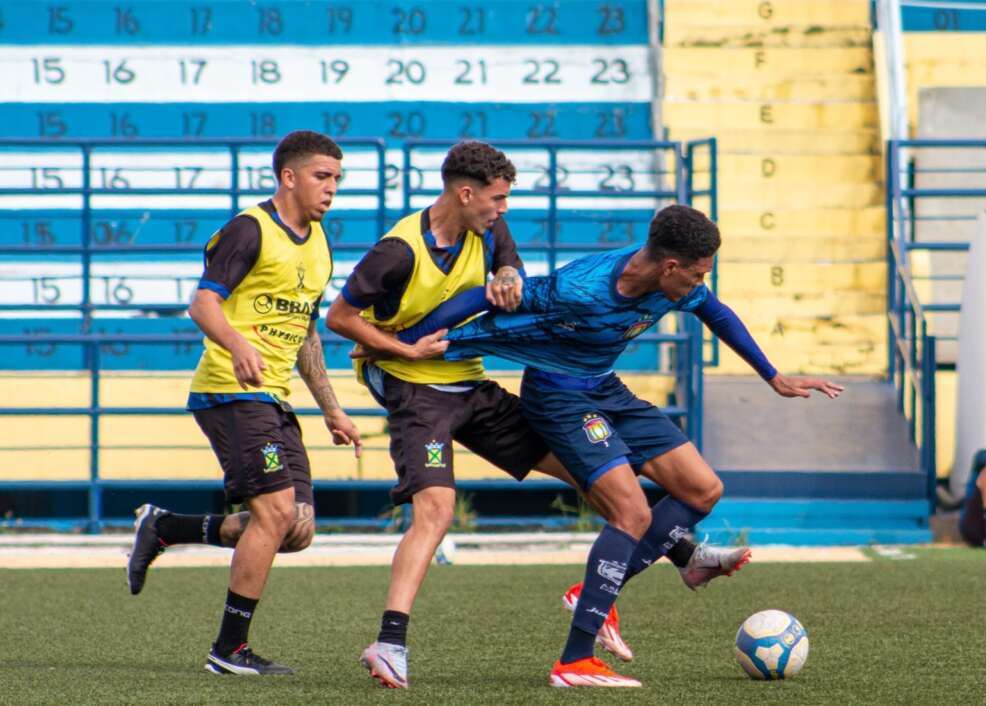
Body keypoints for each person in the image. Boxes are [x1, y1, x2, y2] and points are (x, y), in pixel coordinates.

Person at [325, 143, 742, 689]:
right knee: (437, 509)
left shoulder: (490, 228)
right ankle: (390, 643)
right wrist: (401, 349)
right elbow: (339, 318)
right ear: (465, 193)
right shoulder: (397, 252)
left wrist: (508, 272)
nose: (504, 209)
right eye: (497, 198)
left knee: (597, 474)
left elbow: (505, 271)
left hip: (471, 384)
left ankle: (681, 553)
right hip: (416, 391)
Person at [396, 204, 844, 687]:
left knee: (702, 489)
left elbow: (716, 312)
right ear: (669, 267)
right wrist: (404, 339)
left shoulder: (678, 284)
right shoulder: (579, 288)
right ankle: (574, 661)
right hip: (559, 396)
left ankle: (603, 588)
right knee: (631, 513)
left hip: (604, 387)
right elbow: (482, 298)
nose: (699, 285)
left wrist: (772, 376)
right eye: (695, 275)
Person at [125, 131, 361, 675]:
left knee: (295, 528)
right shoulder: (248, 230)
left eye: (337, 180)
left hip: (275, 398)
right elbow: (202, 304)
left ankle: (166, 528)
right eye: (323, 177)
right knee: (275, 513)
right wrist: (237, 345)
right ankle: (228, 651)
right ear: (289, 177)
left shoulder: (320, 243)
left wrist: (330, 406)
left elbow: (305, 331)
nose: (331, 189)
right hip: (231, 391)